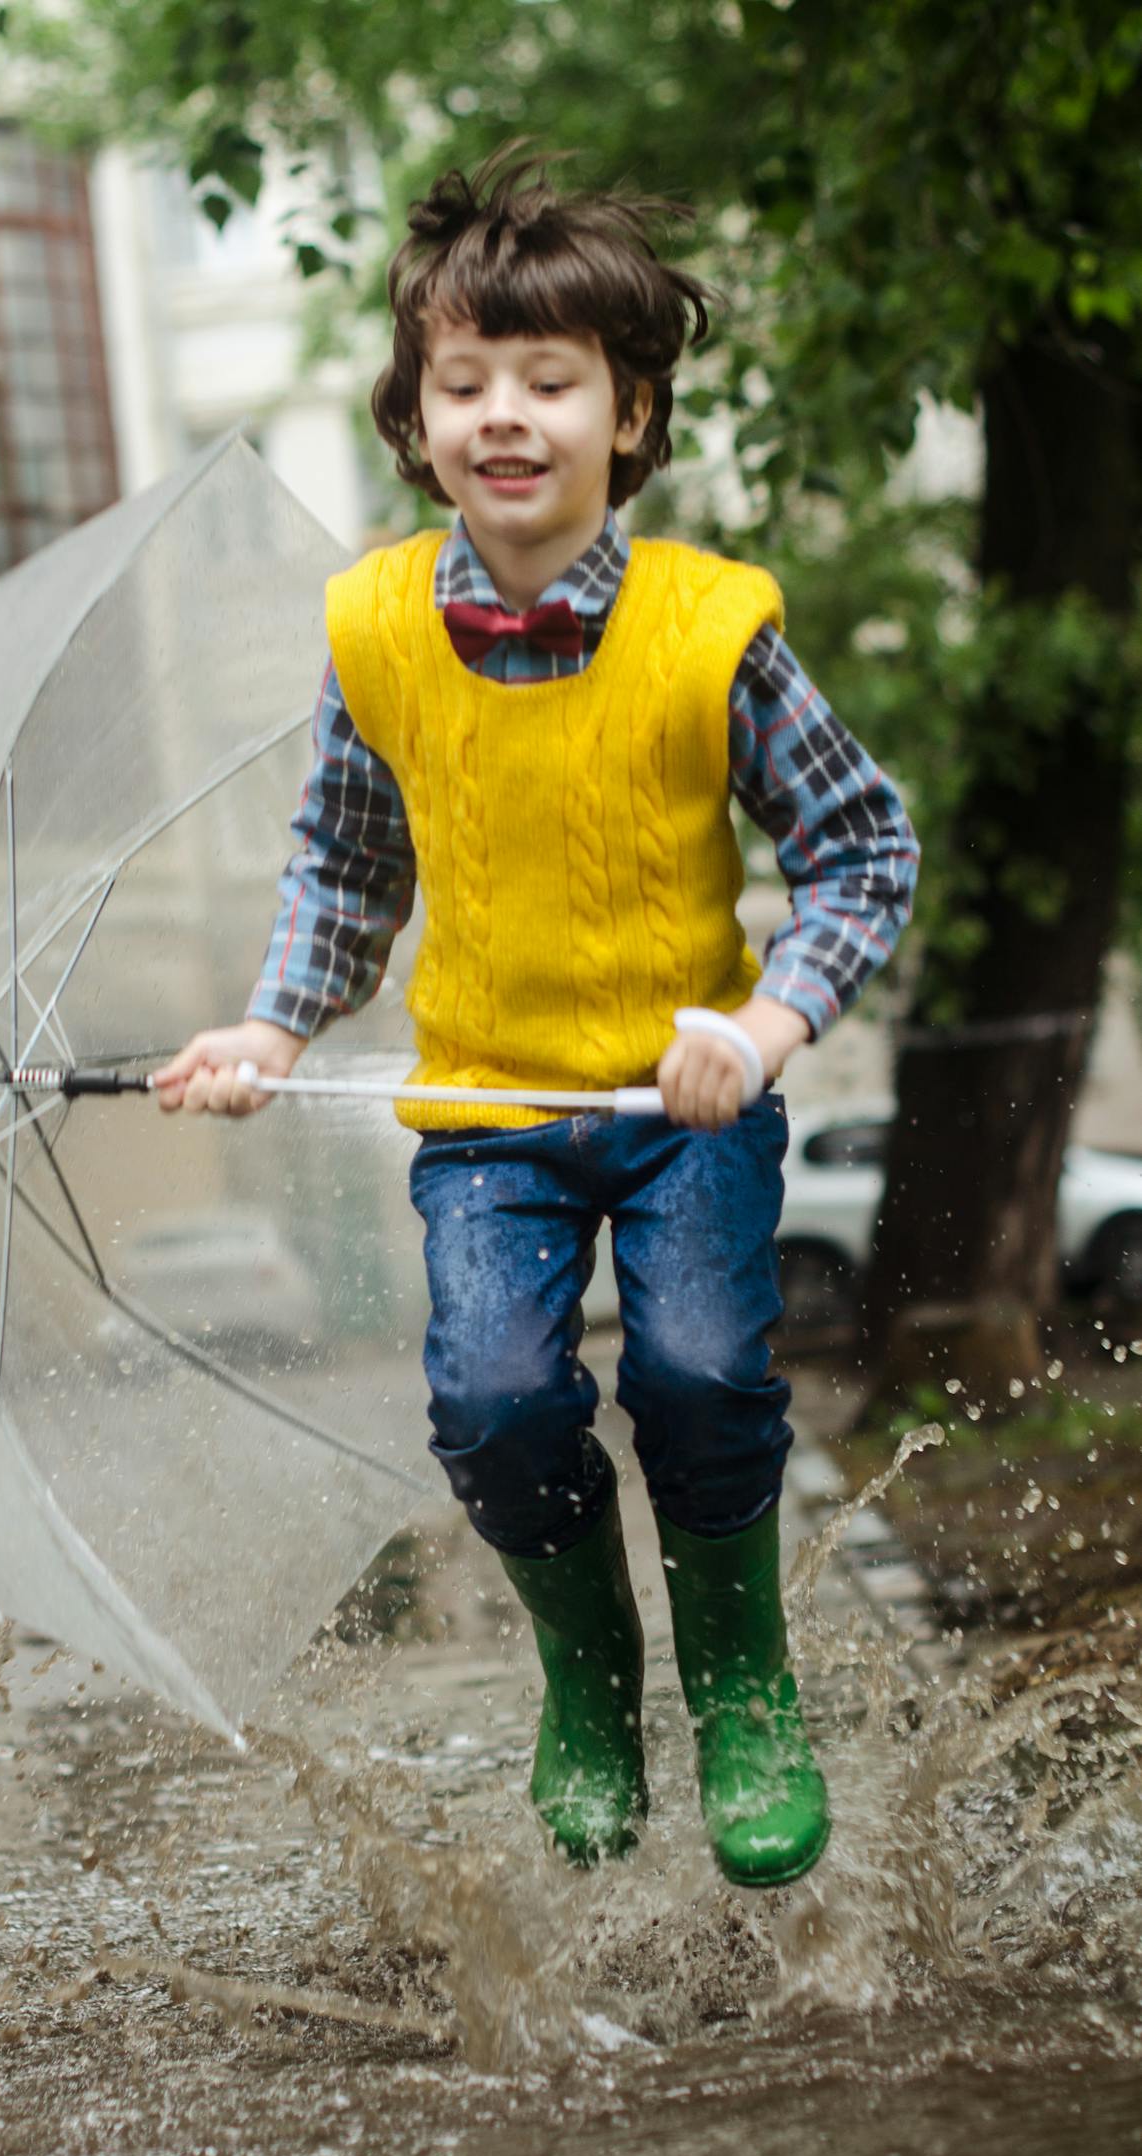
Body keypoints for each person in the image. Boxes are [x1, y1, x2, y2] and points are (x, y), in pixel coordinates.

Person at [156, 144, 918, 1886]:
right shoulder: (374, 635)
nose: (505, 414)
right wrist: (272, 1027)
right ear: (415, 420)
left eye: (550, 381)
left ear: (627, 414)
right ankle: (591, 1678)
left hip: (681, 1110)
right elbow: (345, 868)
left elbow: (863, 845)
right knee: (497, 1400)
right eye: (464, 380)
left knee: (705, 1368)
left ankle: (740, 1685)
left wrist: (769, 1023)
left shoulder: (708, 630)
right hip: (486, 1115)